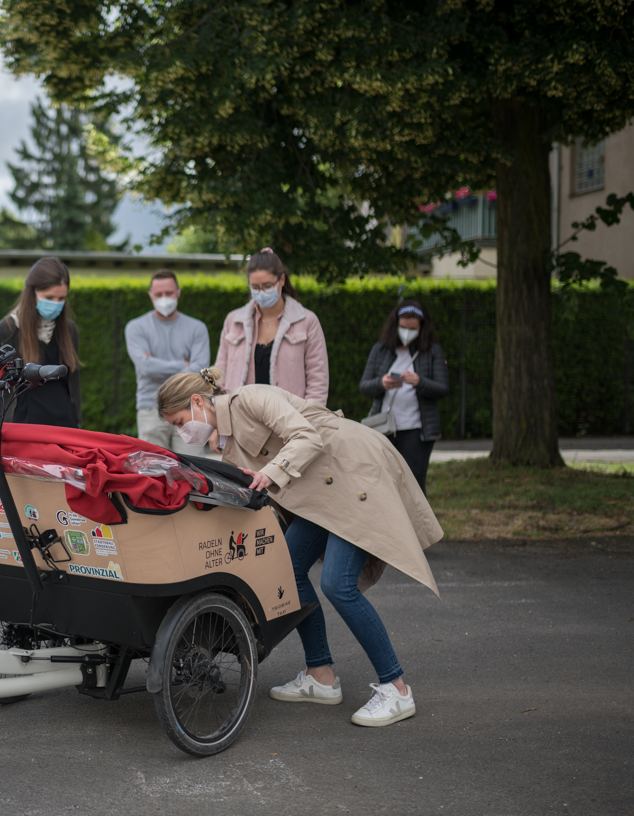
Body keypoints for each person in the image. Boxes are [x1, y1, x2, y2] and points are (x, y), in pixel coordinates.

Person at [157, 368, 442, 727]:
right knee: (287, 572)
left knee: (338, 585)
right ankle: (320, 676)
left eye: (180, 421)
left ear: (197, 402)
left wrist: (270, 471)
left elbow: (307, 437)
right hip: (321, 493)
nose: (183, 431)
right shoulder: (226, 438)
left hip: (353, 474)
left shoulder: (252, 398)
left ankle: (396, 689)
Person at [214, 248, 329, 404]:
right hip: (241, 414)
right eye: (255, 287)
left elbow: (318, 380)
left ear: (282, 280)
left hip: (290, 415)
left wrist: (308, 416)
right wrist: (218, 407)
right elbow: (220, 373)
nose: (261, 292)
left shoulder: (307, 321)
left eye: (267, 286)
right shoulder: (233, 321)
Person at [359, 299, 450, 494]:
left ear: (422, 328)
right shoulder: (381, 349)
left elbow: (442, 388)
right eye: (403, 327)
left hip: (416, 431)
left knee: (413, 484)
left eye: (413, 328)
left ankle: (416, 517)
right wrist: (381, 384)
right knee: (383, 483)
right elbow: (364, 386)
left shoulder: (432, 351)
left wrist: (419, 381)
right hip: (384, 429)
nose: (407, 332)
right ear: (395, 325)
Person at [0, 257, 81, 427]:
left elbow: (74, 383)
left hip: (64, 427)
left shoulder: (69, 330)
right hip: (22, 429)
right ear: (32, 292)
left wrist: (78, 423)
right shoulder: (6, 331)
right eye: (49, 297)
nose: (55, 304)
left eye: (61, 299)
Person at [125, 270, 211, 454]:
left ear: (178, 292)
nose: (164, 298)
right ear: (150, 295)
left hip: (190, 409)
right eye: (159, 294)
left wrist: (156, 365)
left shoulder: (197, 328)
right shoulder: (136, 327)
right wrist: (184, 366)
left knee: (194, 467)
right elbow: (146, 368)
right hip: (151, 408)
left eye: (169, 293)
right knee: (152, 467)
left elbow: (200, 372)